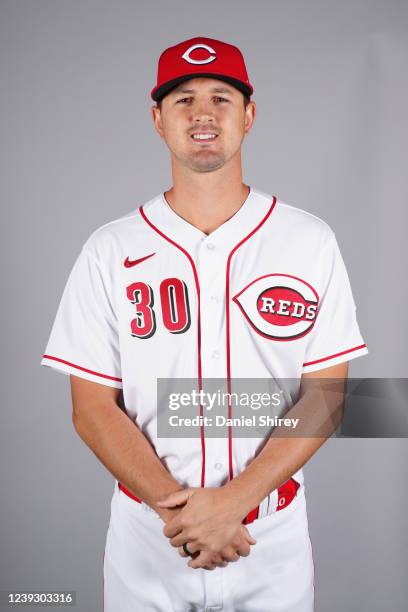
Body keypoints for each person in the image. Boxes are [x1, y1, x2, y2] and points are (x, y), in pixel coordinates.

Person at [40, 36, 368, 611]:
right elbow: (91, 407)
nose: (203, 113)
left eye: (221, 97)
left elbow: (328, 393)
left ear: (249, 114)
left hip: (270, 535)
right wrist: (189, 515)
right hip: (151, 536)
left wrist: (231, 504)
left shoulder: (308, 240)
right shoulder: (110, 249)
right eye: (183, 99)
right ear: (157, 120)